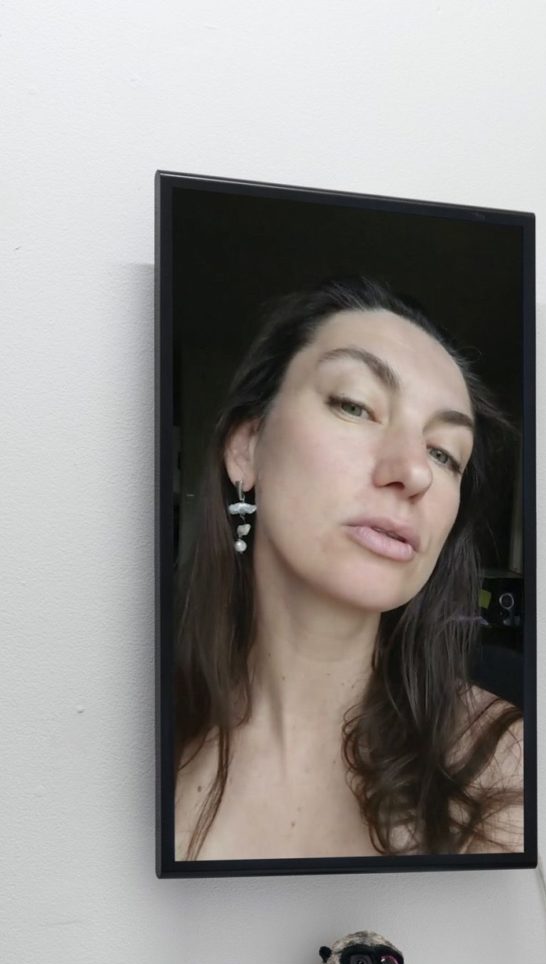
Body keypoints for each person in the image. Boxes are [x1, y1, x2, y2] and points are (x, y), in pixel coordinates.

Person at [173, 276, 522, 860]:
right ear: (246, 447)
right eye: (355, 406)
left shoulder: (503, 767)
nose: (414, 472)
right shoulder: (127, 740)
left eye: (444, 453)